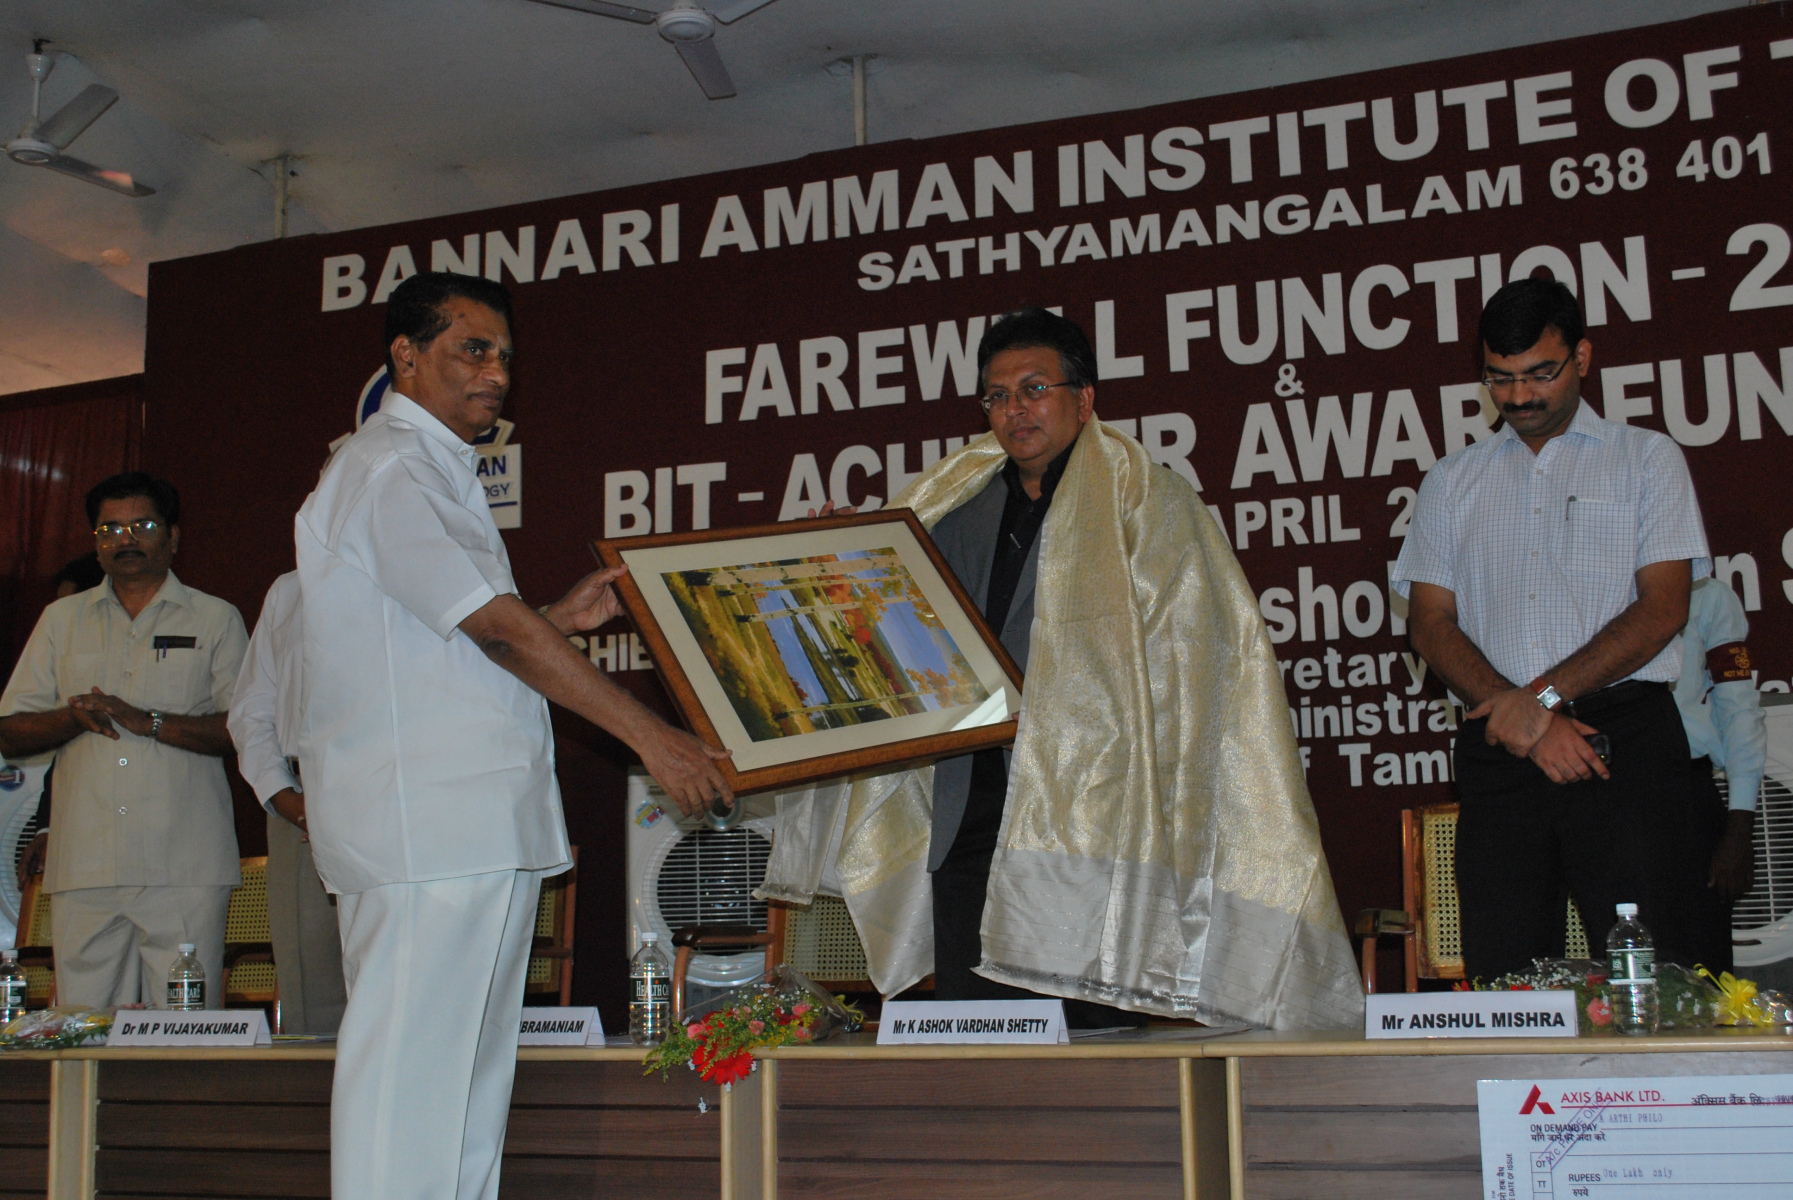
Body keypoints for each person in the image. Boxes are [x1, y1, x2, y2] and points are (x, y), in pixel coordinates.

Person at [763, 308, 1362, 1030]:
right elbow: (894, 627)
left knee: (1091, 1051)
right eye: (997, 396)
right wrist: (836, 564)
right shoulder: (952, 508)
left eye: (1034, 388)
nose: (1014, 409)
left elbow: (1203, 665)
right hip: (971, 810)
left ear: (1084, 399)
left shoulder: (1152, 503)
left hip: (1095, 818)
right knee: (978, 1047)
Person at [297, 270, 731, 1200]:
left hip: (468, 828)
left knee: (468, 1087)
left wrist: (553, 619)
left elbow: (446, 635)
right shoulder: (390, 466)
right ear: (405, 356)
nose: (496, 373)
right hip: (424, 832)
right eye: (472, 350)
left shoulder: (433, 467)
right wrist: (651, 737)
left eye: (503, 355)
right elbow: (494, 631)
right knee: (410, 1087)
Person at [1396, 277, 1714, 982]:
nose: (1518, 397)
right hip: (1499, 749)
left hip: (1623, 742)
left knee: (1651, 973)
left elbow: (1662, 609)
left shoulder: (1646, 458)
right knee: (1505, 979)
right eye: (1499, 378)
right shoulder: (1450, 481)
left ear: (1582, 358)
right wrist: (1526, 720)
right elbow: (1429, 623)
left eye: (1540, 373)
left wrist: (1538, 703)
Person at [0, 472, 247, 1007]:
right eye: (109, 529)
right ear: (95, 542)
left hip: (185, 862)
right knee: (83, 1028)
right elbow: (11, 732)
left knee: (183, 1032)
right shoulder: (60, 621)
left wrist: (147, 721)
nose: (125, 540)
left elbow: (245, 728)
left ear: (173, 537)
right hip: (84, 863)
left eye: (143, 526)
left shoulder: (215, 617)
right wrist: (73, 719)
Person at [226, 571, 346, 1034]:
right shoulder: (289, 590)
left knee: (404, 977)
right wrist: (288, 801)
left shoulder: (421, 569)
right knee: (313, 989)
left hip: (399, 796)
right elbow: (251, 712)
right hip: (300, 804)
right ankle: (316, 1082)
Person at [1673, 575, 1765, 972]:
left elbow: (1738, 708)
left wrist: (1740, 826)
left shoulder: (1707, 597)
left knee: (1702, 960)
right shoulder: (1590, 591)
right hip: (1600, 784)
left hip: (1686, 788)